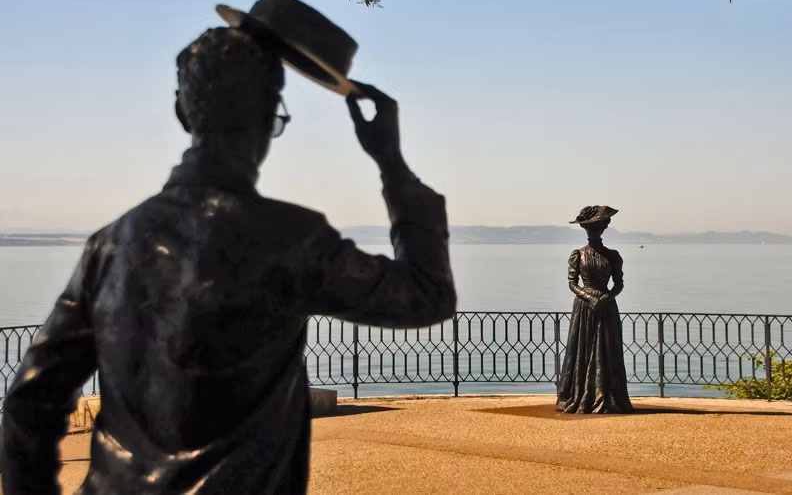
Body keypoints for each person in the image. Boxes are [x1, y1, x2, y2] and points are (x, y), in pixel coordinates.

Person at [0, 26, 456, 493]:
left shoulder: (110, 247)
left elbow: (28, 404)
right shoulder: (293, 242)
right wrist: (391, 162)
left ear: (183, 112)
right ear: (267, 119)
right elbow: (427, 295)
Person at [556, 205, 634, 414]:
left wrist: (607, 297)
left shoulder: (613, 256)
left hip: (607, 308)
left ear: (603, 229)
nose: (594, 232)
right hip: (584, 308)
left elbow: (619, 284)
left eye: (597, 228)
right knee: (582, 349)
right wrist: (590, 298)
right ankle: (579, 395)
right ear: (586, 230)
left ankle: (607, 396)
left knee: (607, 350)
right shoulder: (578, 255)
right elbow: (572, 283)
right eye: (591, 228)